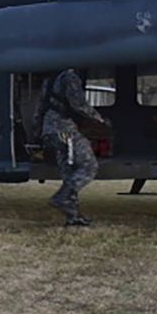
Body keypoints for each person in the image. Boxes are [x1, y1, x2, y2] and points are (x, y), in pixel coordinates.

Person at [36, 68, 109, 227]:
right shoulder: (69, 77)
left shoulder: (49, 80)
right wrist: (100, 120)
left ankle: (73, 216)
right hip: (64, 130)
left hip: (50, 132)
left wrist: (38, 132)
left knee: (69, 172)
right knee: (89, 165)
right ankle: (62, 197)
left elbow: (40, 108)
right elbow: (79, 104)